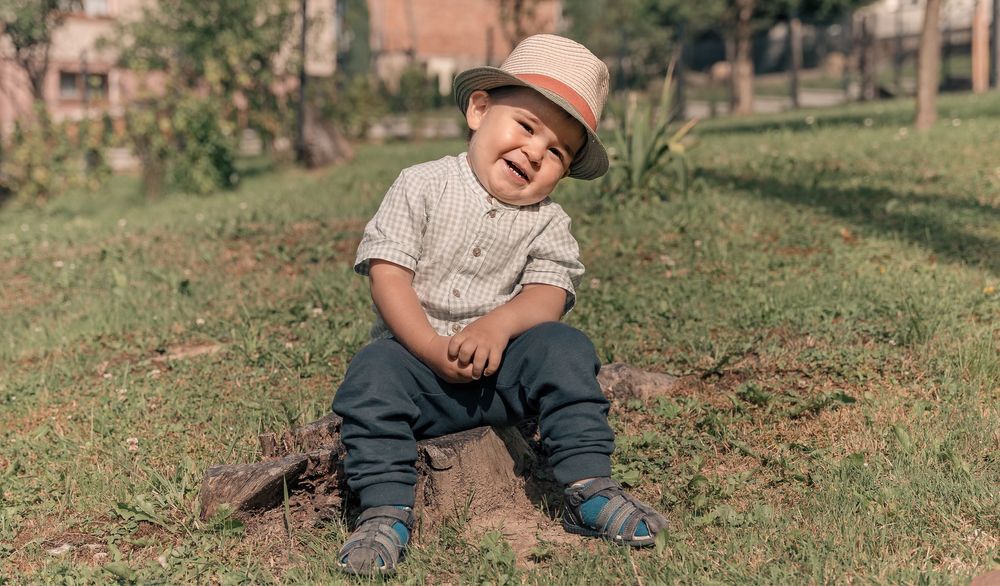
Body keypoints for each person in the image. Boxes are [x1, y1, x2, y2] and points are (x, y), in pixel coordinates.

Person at [331, 34, 667, 576]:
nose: (535, 152)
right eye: (527, 127)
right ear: (480, 109)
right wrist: (431, 349)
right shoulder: (423, 185)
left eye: (556, 151)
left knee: (563, 348)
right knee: (371, 373)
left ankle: (588, 485)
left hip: (501, 376)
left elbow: (549, 293)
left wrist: (496, 327)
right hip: (417, 369)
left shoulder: (547, 222)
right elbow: (389, 275)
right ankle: (385, 511)